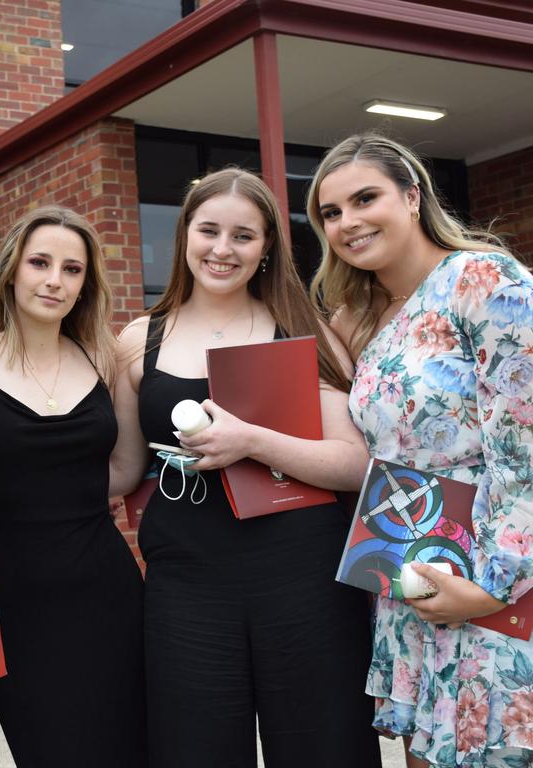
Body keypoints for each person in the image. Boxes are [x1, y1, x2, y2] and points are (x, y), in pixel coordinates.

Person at [110, 168, 381, 768]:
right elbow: (124, 470)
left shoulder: (304, 330)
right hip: (187, 583)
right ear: (185, 235)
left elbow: (357, 462)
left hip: (304, 577)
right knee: (192, 750)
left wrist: (252, 441)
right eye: (209, 230)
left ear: (266, 249)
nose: (222, 249)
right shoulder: (138, 340)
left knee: (325, 747)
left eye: (243, 236)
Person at [308, 133, 533, 768]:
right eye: (330, 212)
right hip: (411, 574)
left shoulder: (483, 279)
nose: (347, 222)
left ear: (412, 197)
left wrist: (496, 584)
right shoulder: (363, 316)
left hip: (499, 578)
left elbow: (525, 443)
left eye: (364, 198)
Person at [0, 206, 147, 767]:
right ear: (11, 271)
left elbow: (125, 468)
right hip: (11, 596)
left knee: (132, 747)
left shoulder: (104, 357)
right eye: (40, 263)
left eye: (72, 269)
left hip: (106, 590)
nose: (54, 280)